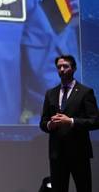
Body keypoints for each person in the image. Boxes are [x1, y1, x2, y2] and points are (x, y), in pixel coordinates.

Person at [40, 55, 99, 192]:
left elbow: (95, 121)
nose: (61, 69)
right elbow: (43, 122)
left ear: (74, 69)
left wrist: (71, 121)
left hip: (79, 152)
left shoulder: (85, 92)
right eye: (59, 67)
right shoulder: (51, 93)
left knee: (84, 188)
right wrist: (50, 125)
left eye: (65, 66)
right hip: (57, 154)